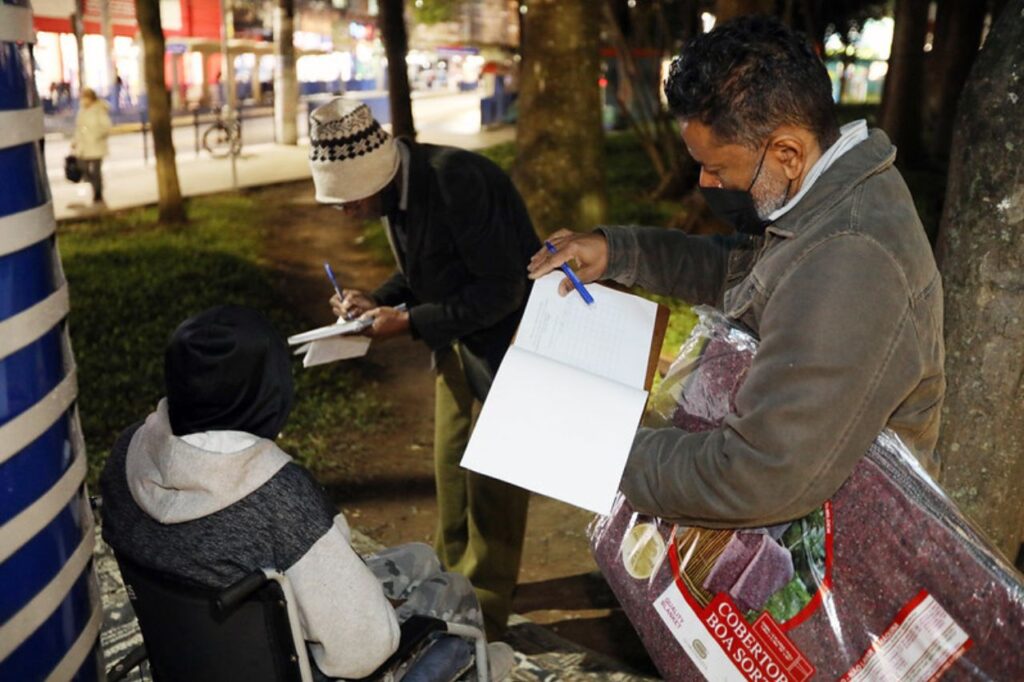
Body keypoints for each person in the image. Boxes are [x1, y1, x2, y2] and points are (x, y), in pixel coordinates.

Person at [528, 16, 944, 529]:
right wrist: (619, 252)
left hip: (837, 559)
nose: (706, 180)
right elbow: (743, 272)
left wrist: (601, 443)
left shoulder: (851, 262)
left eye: (718, 168)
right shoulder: (824, 198)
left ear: (787, 153)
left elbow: (753, 478)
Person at [100, 305, 514, 681]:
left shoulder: (126, 456)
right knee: (452, 591)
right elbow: (361, 656)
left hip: (195, 652)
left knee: (421, 559)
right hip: (292, 667)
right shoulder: (280, 498)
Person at [307, 99, 540, 638]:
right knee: (452, 472)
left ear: (377, 173)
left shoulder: (458, 181)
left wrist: (407, 323)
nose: (346, 213)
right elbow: (426, 270)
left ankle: (482, 608)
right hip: (457, 345)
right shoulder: (399, 191)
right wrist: (377, 300)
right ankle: (451, 581)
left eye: (349, 200)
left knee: (493, 487)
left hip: (509, 347)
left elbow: (502, 290)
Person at [71, 87, 111, 206]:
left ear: (91, 98)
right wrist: (75, 141)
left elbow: (106, 127)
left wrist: (95, 136)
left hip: (96, 146)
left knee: (96, 171)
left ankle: (98, 194)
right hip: (83, 147)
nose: (83, 100)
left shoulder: (99, 110)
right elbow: (78, 128)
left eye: (85, 97)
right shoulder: (81, 111)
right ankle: (97, 185)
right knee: (82, 167)